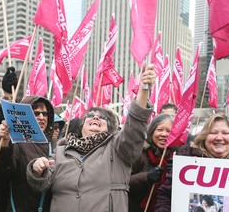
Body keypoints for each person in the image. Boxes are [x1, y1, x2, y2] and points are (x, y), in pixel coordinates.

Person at [25, 63, 156, 212]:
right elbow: (41, 184)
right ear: (82, 126)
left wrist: (143, 92)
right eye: (90, 116)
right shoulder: (61, 152)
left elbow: (134, 129)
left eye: (102, 118)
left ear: (111, 128)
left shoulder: (119, 150)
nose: (95, 118)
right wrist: (37, 170)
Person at [154, 114, 229, 212]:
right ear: (204, 136)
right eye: (213, 133)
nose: (219, 137)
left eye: (225, 133)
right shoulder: (187, 157)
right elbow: (166, 195)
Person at [0, 95, 55, 212]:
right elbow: (2, 172)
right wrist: (5, 143)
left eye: (45, 113)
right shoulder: (17, 142)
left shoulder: (56, 145)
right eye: (36, 113)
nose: (41, 117)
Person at [128, 113, 177, 212]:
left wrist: (177, 171)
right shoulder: (139, 152)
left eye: (169, 131)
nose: (164, 134)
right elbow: (123, 182)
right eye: (159, 130)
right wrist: (147, 177)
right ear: (151, 132)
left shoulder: (179, 155)